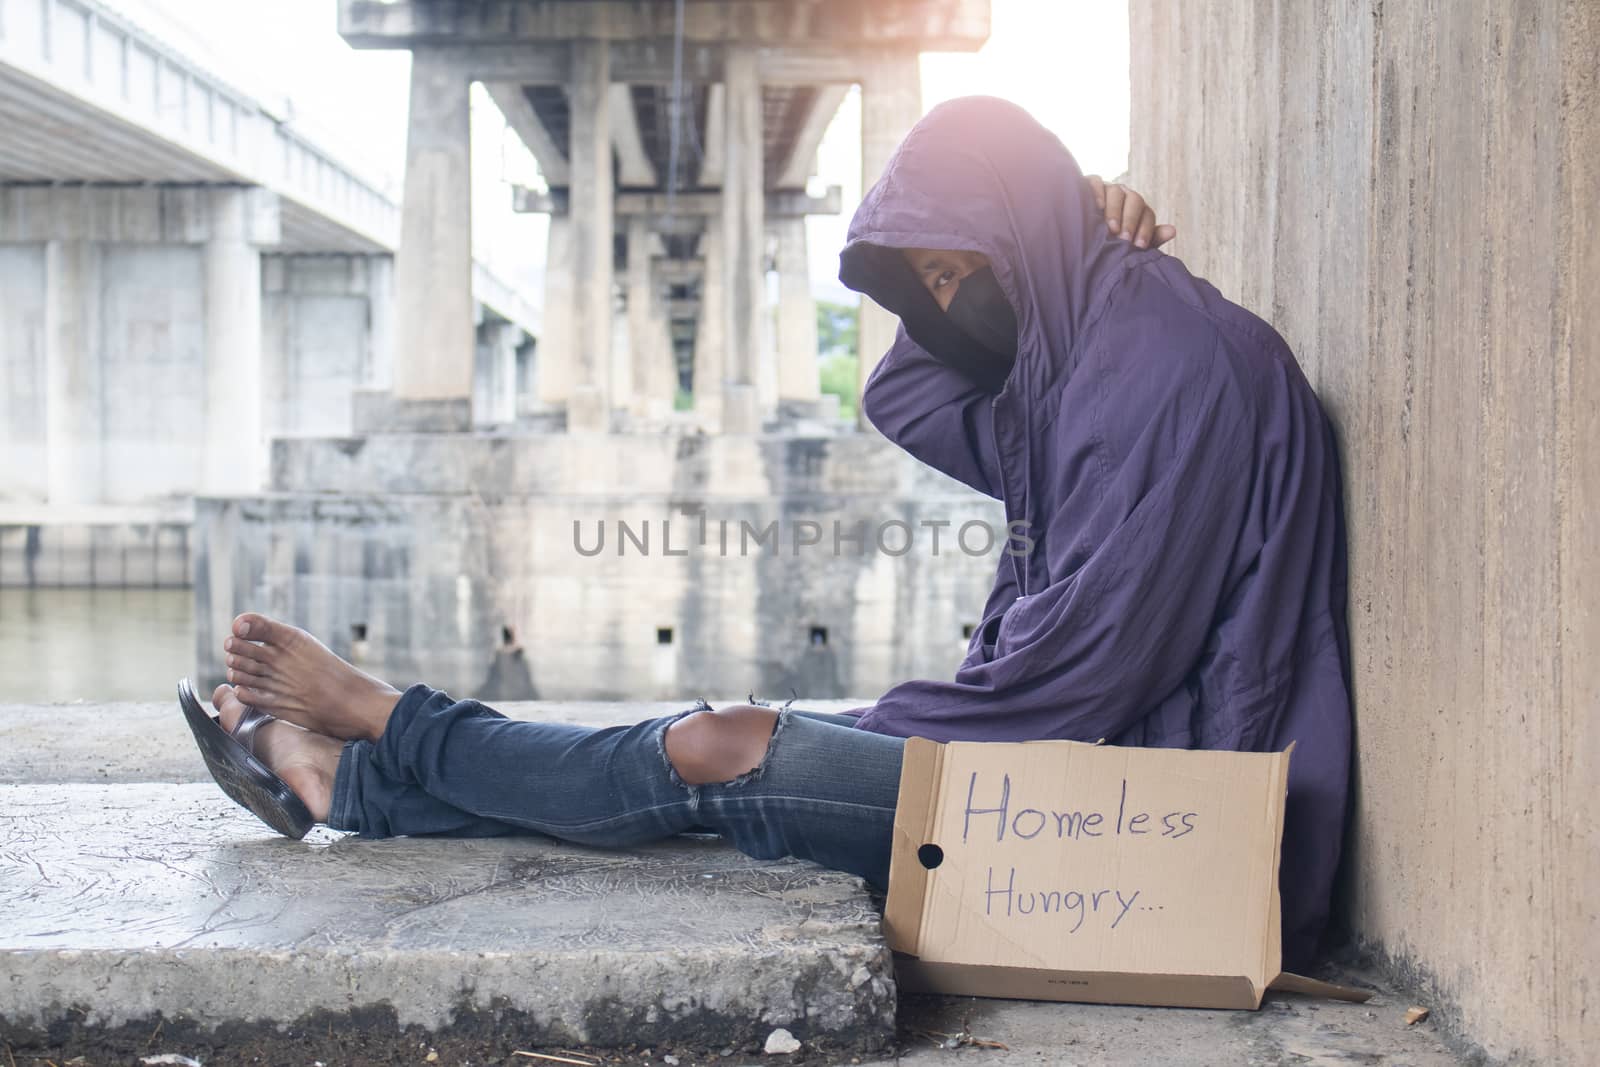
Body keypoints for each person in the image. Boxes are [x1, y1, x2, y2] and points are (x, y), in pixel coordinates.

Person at [186, 96, 1349, 971]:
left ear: (1025, 228)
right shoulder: (1084, 350)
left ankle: (386, 725)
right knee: (718, 753)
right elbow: (913, 395)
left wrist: (850, 730)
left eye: (959, 269)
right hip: (1101, 778)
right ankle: (348, 782)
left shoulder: (1160, 369)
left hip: (1163, 833)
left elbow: (1078, 679)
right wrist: (1053, 239)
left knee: (725, 745)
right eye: (927, 281)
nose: (945, 304)